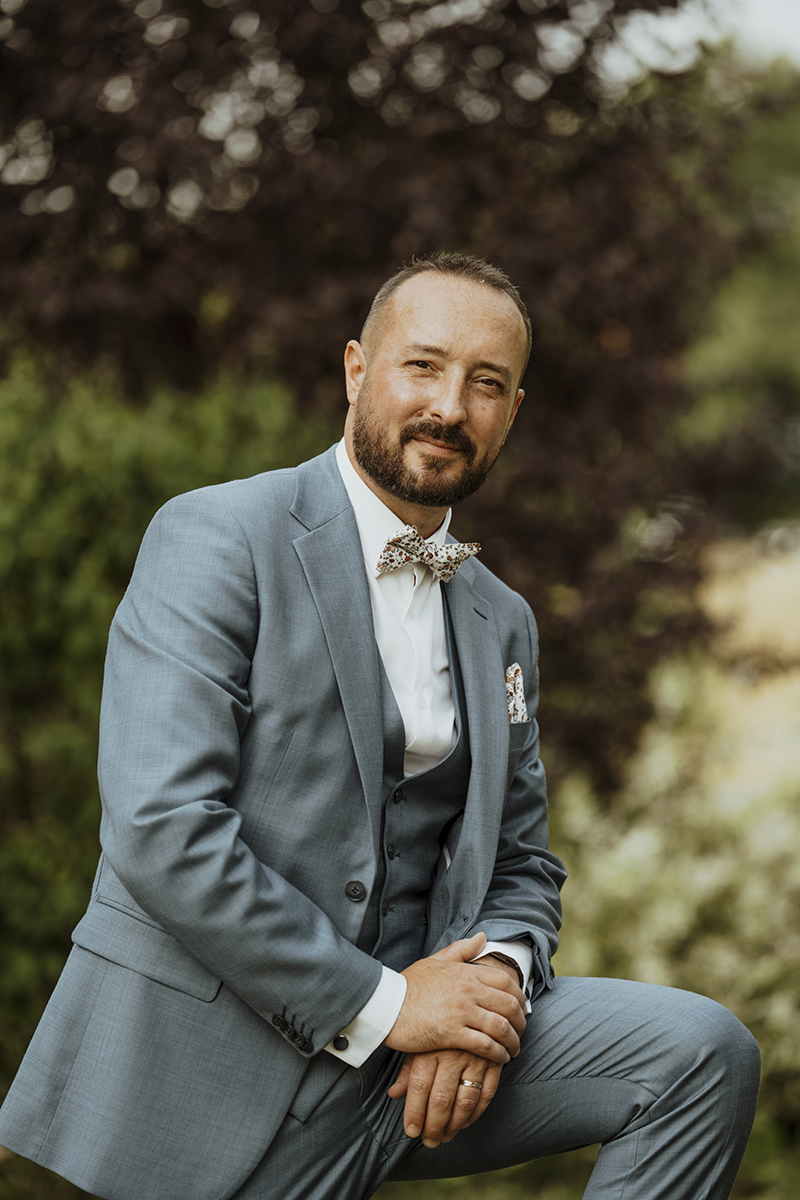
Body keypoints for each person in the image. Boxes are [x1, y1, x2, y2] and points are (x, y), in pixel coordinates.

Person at [0, 253, 759, 1200]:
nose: (451, 406)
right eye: (423, 366)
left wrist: (490, 998)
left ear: (513, 412)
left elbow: (521, 862)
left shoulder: (504, 617)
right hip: (221, 1058)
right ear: (357, 370)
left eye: (488, 384)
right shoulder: (217, 537)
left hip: (402, 1076)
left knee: (698, 1054)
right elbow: (162, 830)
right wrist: (393, 1005)